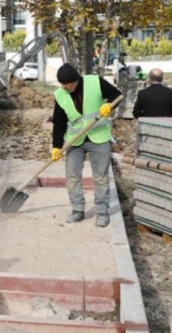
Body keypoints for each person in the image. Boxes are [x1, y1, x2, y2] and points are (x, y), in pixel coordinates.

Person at [51, 63, 122, 228]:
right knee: (72, 176)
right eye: (61, 84)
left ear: (74, 81)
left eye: (65, 84)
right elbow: (59, 122)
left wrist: (108, 105)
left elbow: (116, 95)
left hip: (99, 138)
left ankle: (102, 212)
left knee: (101, 177)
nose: (63, 87)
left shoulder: (95, 82)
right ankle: (77, 210)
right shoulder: (60, 95)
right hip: (75, 141)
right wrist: (56, 146)